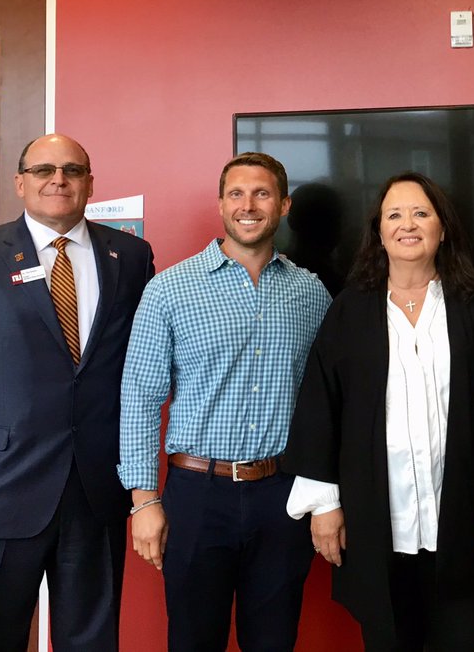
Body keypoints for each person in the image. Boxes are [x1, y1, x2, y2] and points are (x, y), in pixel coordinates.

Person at [0, 133, 155, 652]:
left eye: (71, 169)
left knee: (91, 640)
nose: (58, 179)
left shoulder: (130, 256)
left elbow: (141, 368)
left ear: (90, 182)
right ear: (20, 182)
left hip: (96, 488)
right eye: (44, 170)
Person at [284, 172, 474, 651]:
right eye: (394, 215)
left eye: (421, 213)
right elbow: (320, 404)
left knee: (465, 640)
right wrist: (324, 504)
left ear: (442, 228)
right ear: (379, 232)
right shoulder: (351, 309)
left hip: (463, 516)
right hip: (377, 522)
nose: (407, 224)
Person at [119, 151, 331, 652]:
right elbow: (140, 398)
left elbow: (327, 402)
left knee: (274, 640)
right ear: (220, 204)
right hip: (196, 495)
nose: (248, 205)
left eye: (262, 193)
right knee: (193, 640)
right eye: (236, 193)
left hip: (284, 497)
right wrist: (143, 500)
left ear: (283, 206)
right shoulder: (169, 289)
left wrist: (327, 495)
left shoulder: (311, 293)